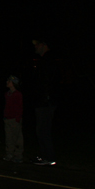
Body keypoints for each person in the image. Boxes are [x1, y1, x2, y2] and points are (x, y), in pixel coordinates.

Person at [32, 38, 59, 166]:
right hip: (42, 101)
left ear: (44, 45)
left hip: (45, 102)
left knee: (43, 129)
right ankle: (45, 156)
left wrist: (45, 98)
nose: (35, 47)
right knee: (41, 129)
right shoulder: (44, 61)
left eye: (37, 44)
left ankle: (48, 157)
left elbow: (48, 82)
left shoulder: (49, 60)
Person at [3, 75, 23, 163]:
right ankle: (10, 153)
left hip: (14, 119)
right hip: (7, 118)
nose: (7, 82)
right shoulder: (7, 94)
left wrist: (17, 118)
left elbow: (20, 107)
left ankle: (18, 155)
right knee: (8, 138)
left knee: (17, 138)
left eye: (9, 81)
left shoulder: (17, 94)